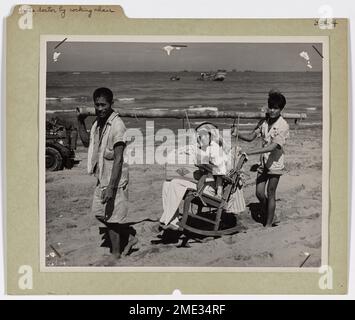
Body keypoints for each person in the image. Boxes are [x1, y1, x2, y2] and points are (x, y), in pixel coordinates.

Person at [77, 87, 137, 260]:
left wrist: (111, 187)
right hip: (102, 177)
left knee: (111, 218)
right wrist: (80, 121)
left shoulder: (117, 126)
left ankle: (116, 254)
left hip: (115, 180)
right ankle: (129, 237)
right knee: (99, 212)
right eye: (97, 105)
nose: (100, 108)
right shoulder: (98, 123)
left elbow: (118, 160)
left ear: (112, 103)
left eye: (103, 105)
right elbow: (87, 142)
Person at [160, 122, 245, 230]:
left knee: (176, 183)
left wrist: (205, 165)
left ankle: (169, 221)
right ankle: (172, 220)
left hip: (209, 188)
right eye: (199, 135)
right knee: (167, 183)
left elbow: (221, 171)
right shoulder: (201, 148)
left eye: (204, 135)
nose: (201, 138)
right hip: (201, 183)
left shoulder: (215, 150)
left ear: (211, 136)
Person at [233, 90, 289, 227]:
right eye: (270, 107)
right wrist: (238, 134)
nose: (272, 110)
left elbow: (272, 147)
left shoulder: (283, 126)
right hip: (263, 162)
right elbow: (252, 137)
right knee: (259, 193)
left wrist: (251, 152)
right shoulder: (263, 122)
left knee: (271, 192)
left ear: (281, 109)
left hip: (275, 163)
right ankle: (270, 212)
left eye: (275, 108)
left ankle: (268, 224)